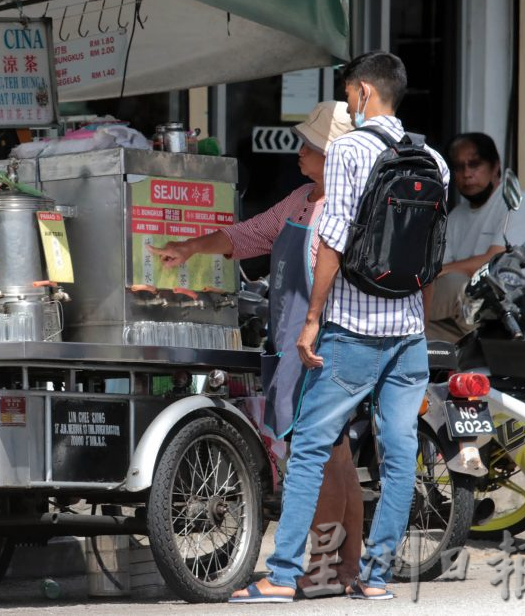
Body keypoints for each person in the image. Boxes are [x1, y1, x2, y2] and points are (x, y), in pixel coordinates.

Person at [229, 51, 449, 603]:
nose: (350, 104)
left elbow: (332, 240)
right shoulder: (434, 160)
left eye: (350, 94)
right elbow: (430, 256)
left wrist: (311, 320)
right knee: (398, 455)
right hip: (408, 334)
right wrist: (417, 322)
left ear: (364, 93)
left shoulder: (349, 149)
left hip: (352, 330)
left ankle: (282, 576)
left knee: (309, 447)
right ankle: (375, 577)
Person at [147, 100, 363, 597]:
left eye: (309, 146)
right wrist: (190, 248)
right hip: (298, 342)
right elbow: (249, 235)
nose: (299, 153)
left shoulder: (339, 208)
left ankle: (322, 569)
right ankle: (346, 569)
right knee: (339, 457)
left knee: (320, 459)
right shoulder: (302, 199)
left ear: (332, 156)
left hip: (320, 345)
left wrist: (312, 330)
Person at [427, 132, 525, 341]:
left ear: (495, 166)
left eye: (474, 164)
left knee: (454, 283)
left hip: (516, 315)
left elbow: (494, 263)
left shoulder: (515, 203)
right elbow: (441, 272)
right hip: (468, 320)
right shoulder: (455, 217)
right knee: (417, 332)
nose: (467, 173)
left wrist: (440, 271)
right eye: (459, 167)